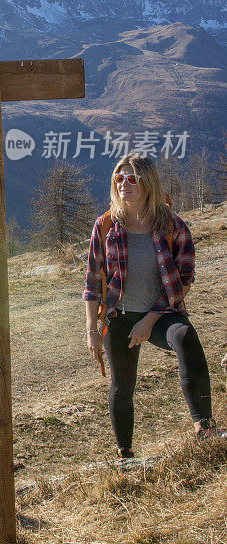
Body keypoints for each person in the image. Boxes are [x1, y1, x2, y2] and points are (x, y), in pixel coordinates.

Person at [84, 152, 224, 458]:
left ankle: (205, 428)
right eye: (119, 178)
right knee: (122, 384)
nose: (124, 184)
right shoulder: (106, 226)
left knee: (186, 338)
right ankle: (125, 454)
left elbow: (183, 282)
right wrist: (91, 328)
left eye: (132, 178)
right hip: (118, 315)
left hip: (161, 313)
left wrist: (149, 321)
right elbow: (93, 280)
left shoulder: (173, 227)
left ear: (149, 183)